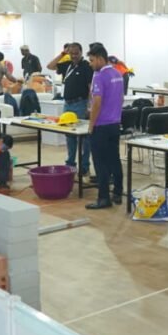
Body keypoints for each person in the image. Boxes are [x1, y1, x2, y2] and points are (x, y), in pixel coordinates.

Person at [86, 43, 124, 210]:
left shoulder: (99, 76)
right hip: (115, 124)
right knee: (114, 159)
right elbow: (121, 98)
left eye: (92, 60)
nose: (91, 64)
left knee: (100, 162)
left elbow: (96, 103)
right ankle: (118, 192)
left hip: (101, 126)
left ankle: (103, 198)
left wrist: (91, 125)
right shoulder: (118, 74)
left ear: (100, 59)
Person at [60, 43, 94, 177]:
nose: (74, 56)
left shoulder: (86, 66)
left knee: (83, 137)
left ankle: (85, 166)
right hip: (67, 105)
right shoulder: (68, 65)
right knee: (69, 136)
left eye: (76, 53)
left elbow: (91, 88)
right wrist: (63, 54)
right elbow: (50, 66)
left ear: (81, 52)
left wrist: (89, 106)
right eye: (71, 53)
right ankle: (70, 163)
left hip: (80, 104)